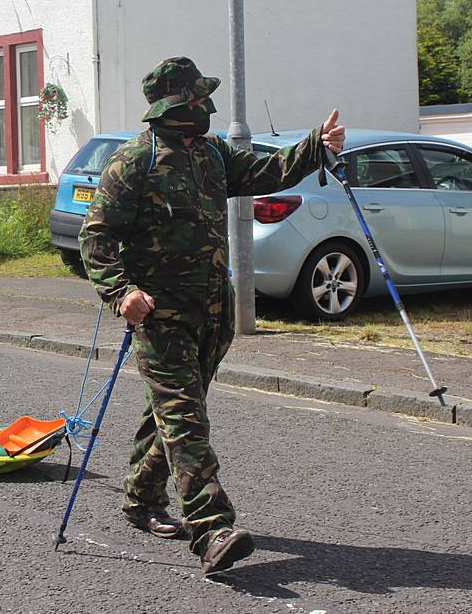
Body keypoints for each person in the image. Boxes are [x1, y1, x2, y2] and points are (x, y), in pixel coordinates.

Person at [78, 57, 345, 574]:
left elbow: (265, 171)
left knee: (180, 408)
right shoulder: (135, 161)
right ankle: (211, 526)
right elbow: (97, 235)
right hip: (161, 317)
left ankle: (139, 497)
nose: (208, 107)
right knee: (185, 418)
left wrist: (316, 145)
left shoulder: (212, 154)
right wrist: (119, 291)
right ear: (176, 105)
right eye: (199, 99)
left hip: (213, 310)